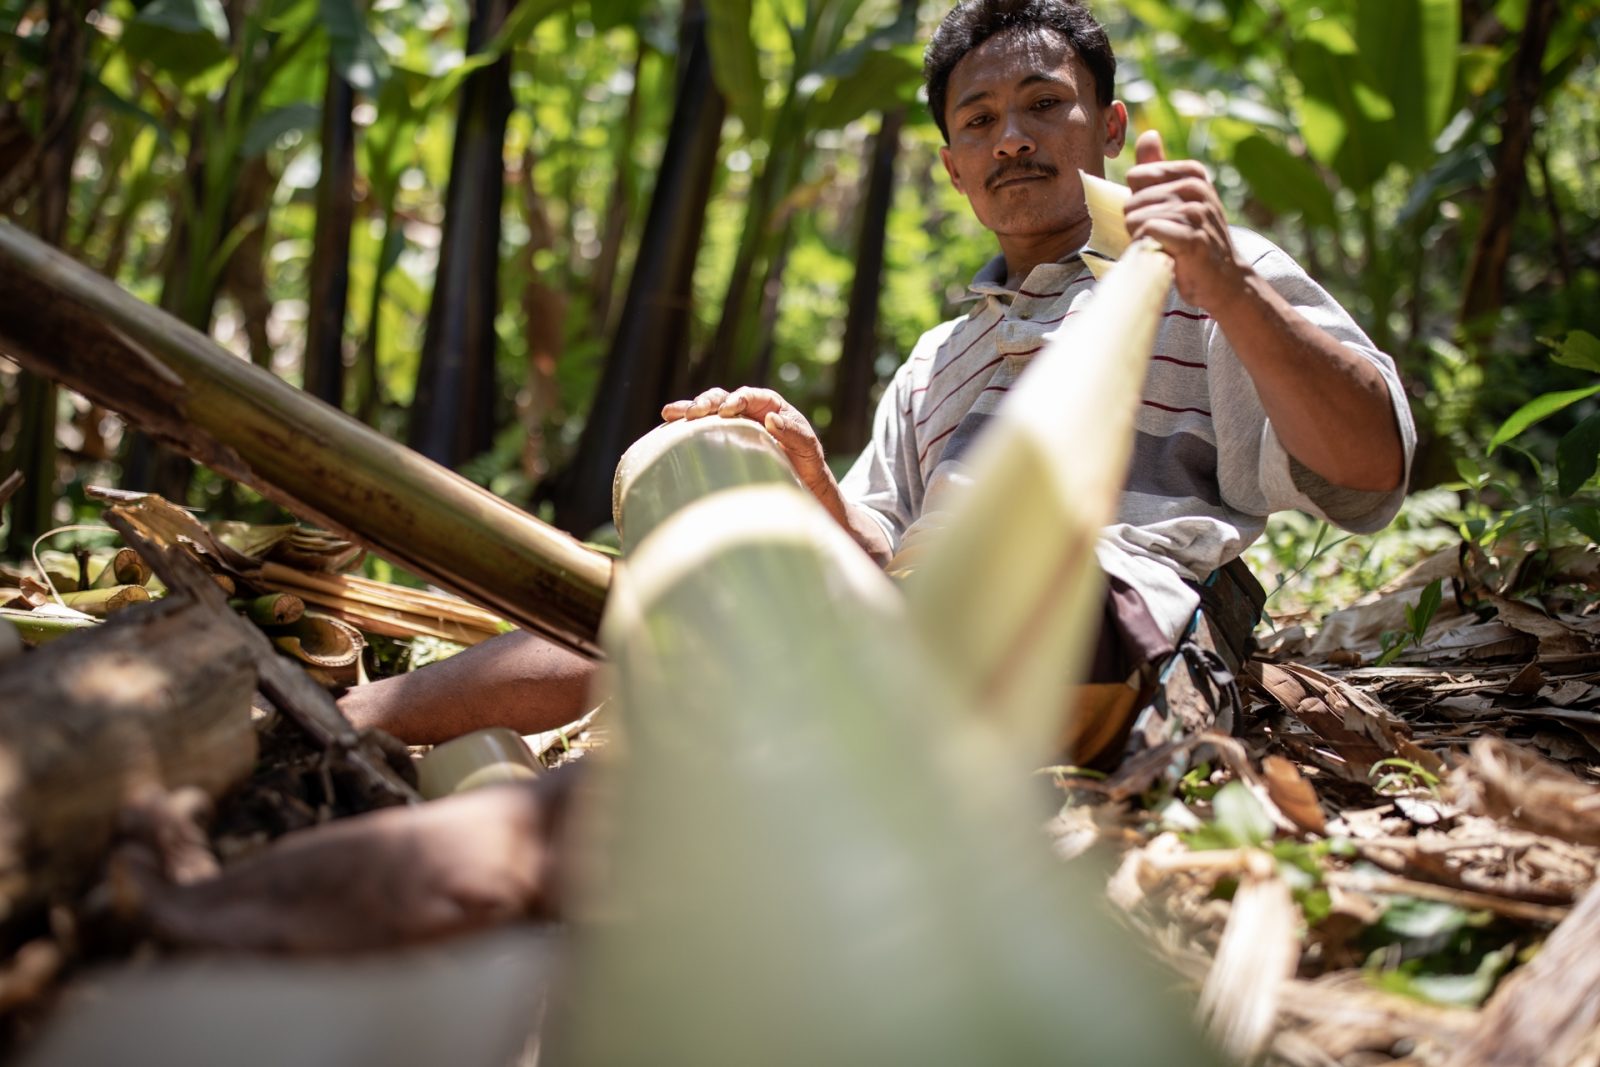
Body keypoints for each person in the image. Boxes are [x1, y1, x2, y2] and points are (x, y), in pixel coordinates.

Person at [122, 0, 1413, 950]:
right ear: (956, 170)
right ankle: (333, 733)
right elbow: (865, 565)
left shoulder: (1202, 274)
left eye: (1044, 105)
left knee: (716, 728)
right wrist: (802, 477)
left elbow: (1372, 467)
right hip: (909, 620)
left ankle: (240, 906)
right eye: (980, 121)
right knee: (701, 571)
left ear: (1111, 127)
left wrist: (1229, 283)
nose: (1013, 138)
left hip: (1091, 624)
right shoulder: (942, 359)